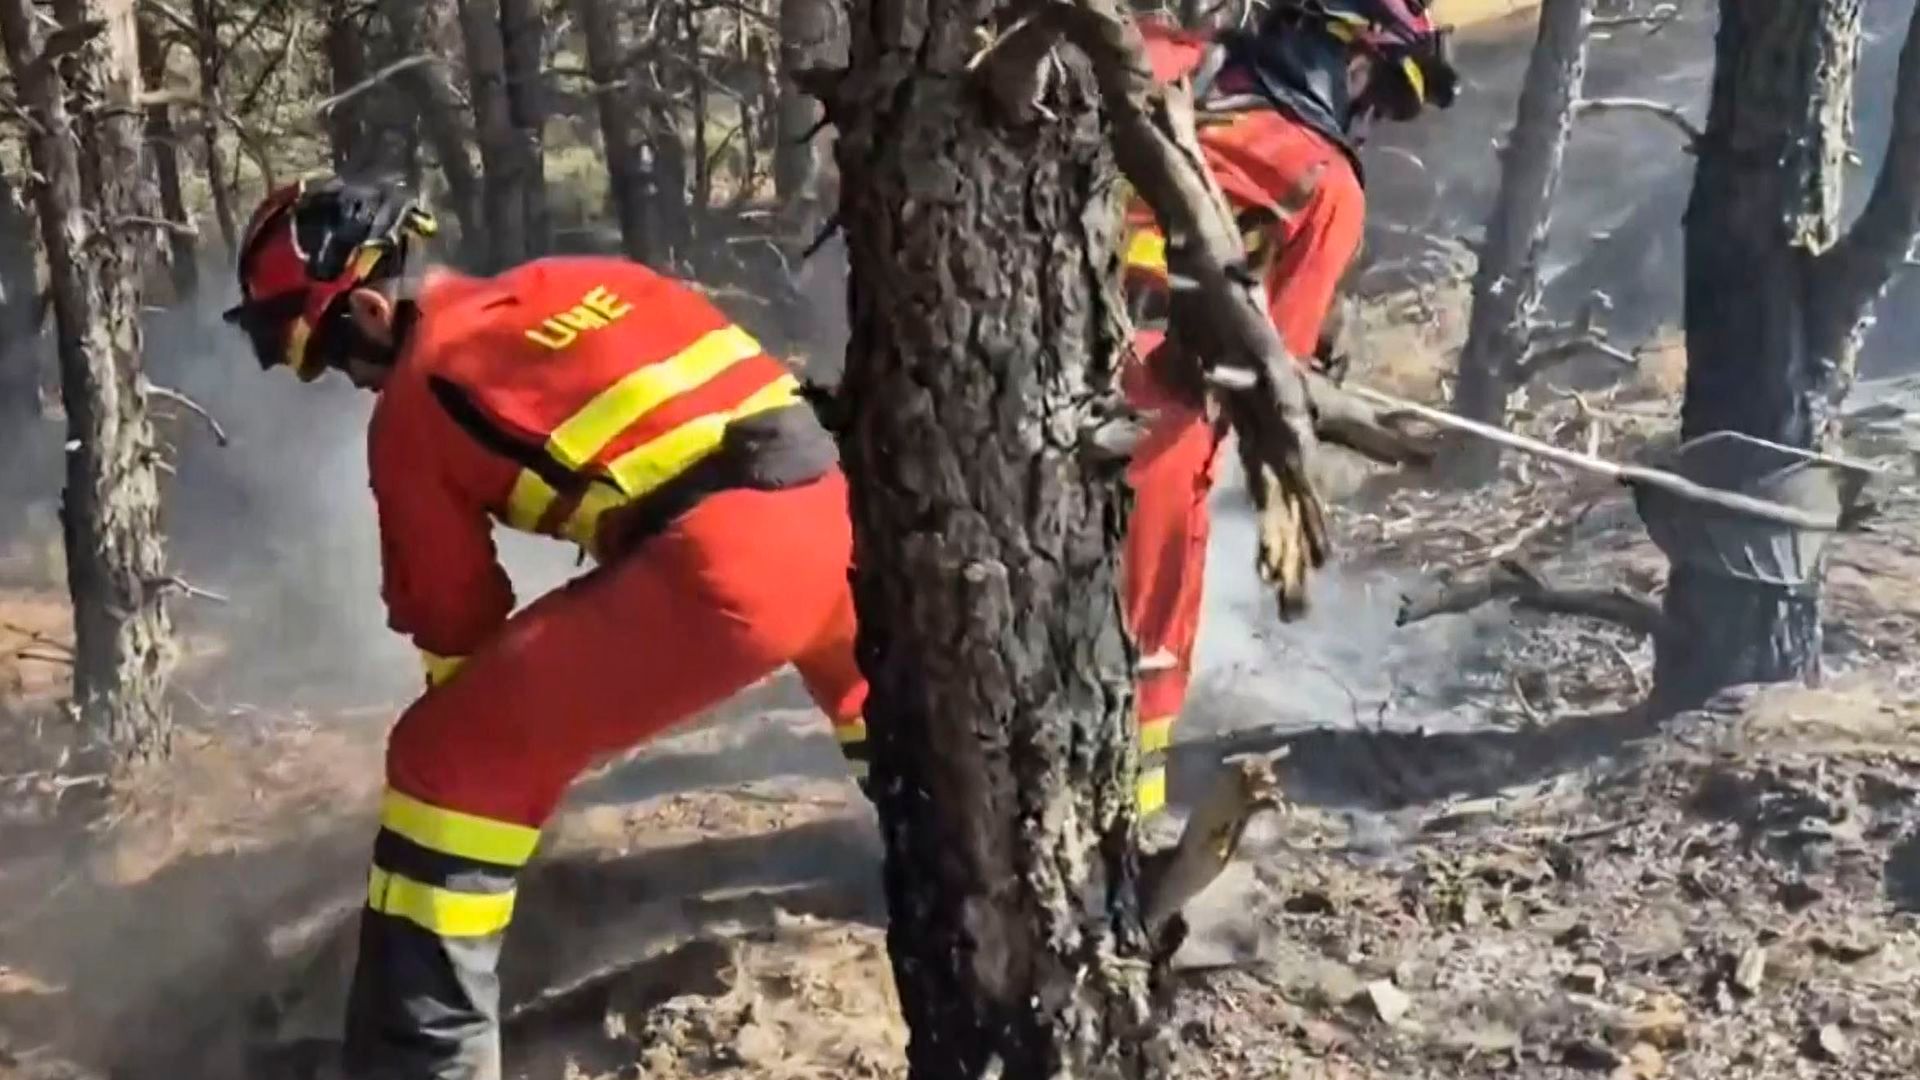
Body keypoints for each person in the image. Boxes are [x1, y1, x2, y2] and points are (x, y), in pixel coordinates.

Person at [221, 177, 869, 1079]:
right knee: (887, 723)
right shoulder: (577, 278)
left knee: (439, 761)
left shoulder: (418, 392)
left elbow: (456, 620)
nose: (348, 379)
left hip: (726, 573)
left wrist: (492, 758)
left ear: (369, 304)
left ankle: (418, 1061)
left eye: (332, 352)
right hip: (842, 520)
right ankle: (972, 890)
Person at [1120, 0, 1459, 814]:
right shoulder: (1327, 182)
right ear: (1347, 62)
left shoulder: (1152, 59)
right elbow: (1274, 377)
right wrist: (1381, 435)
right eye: (1375, 93)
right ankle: (1110, 841)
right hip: (1151, 414)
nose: (1368, 114)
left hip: (998, 376)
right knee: (1148, 637)